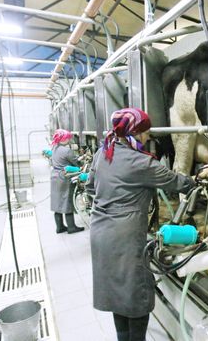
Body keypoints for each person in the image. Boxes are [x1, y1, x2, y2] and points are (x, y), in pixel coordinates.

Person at [86, 108, 195, 341]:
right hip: (124, 238)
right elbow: (175, 182)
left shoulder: (103, 153)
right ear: (134, 133)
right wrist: (196, 180)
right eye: (145, 132)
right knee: (136, 296)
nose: (147, 137)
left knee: (118, 293)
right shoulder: (140, 162)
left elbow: (90, 187)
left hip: (100, 232)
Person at [50, 129, 85, 234]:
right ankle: (71, 227)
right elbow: (76, 163)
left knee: (57, 203)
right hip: (64, 178)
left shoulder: (54, 148)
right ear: (63, 139)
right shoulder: (66, 151)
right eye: (68, 138)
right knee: (67, 202)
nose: (69, 140)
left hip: (55, 177)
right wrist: (82, 162)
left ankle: (59, 227)